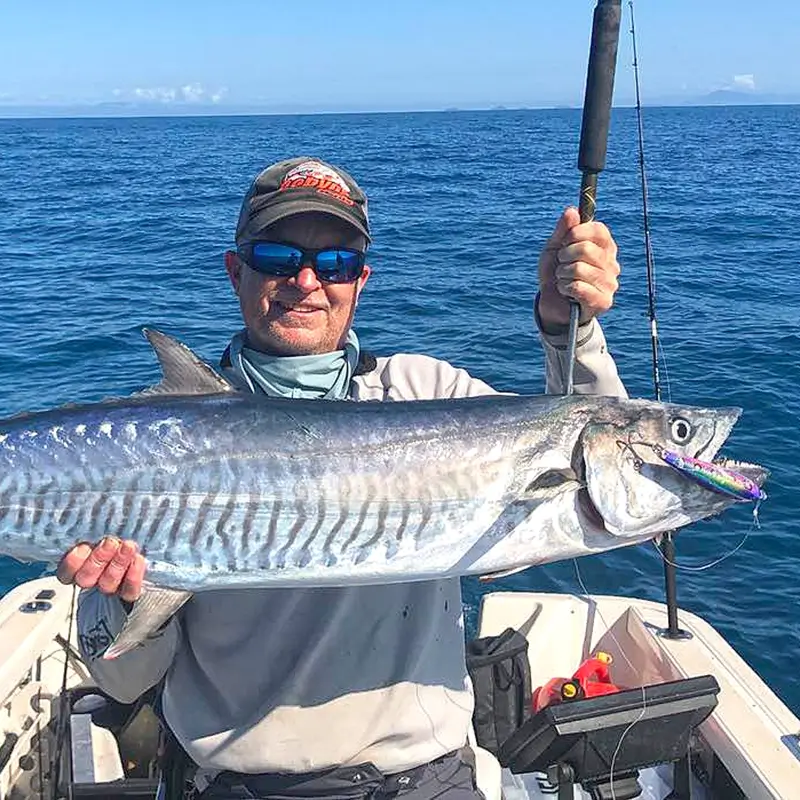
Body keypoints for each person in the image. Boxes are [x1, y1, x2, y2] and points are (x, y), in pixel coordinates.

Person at [58, 157, 627, 799]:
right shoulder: (149, 442)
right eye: (277, 257)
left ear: (361, 281)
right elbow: (121, 682)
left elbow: (586, 453)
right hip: (228, 786)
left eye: (334, 264)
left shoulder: (427, 396)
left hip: (422, 783)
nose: (305, 282)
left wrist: (567, 330)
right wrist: (126, 597)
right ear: (235, 269)